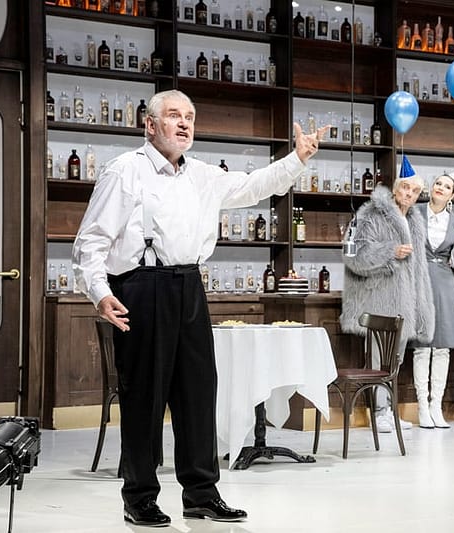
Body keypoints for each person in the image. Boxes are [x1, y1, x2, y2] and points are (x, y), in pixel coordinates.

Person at [72, 90, 326, 527]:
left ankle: (202, 494)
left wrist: (297, 158)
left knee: (198, 395)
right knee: (144, 399)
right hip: (141, 286)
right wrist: (99, 292)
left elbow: (253, 186)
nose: (184, 123)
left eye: (189, 116)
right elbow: (91, 240)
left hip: (189, 286)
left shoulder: (203, 175)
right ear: (150, 124)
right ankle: (139, 497)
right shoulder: (124, 171)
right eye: (174, 115)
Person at [340, 157, 435, 434]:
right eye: (405, 188)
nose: (409, 194)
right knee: (377, 360)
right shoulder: (370, 214)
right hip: (379, 300)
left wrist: (421, 303)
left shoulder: (415, 221)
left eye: (415, 191)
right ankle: (379, 412)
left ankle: (389, 410)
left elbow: (419, 269)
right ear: (395, 188)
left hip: (406, 302)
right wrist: (389, 252)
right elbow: (351, 253)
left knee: (395, 361)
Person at [412, 173, 454, 428]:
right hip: (419, 282)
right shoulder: (413, 214)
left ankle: (437, 406)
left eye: (447, 186)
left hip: (445, 284)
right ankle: (422, 407)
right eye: (438, 183)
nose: (441, 188)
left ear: (452, 195)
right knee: (422, 346)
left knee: (443, 348)